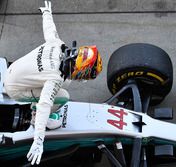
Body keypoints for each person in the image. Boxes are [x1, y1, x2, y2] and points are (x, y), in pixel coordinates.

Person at [3, 1, 102, 165]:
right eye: (86, 74)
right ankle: (33, 119)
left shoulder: (58, 45)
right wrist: (38, 140)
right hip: (14, 89)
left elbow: (50, 30)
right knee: (63, 96)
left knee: (65, 83)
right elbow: (44, 104)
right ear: (82, 70)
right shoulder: (55, 78)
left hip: (12, 71)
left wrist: (46, 13)